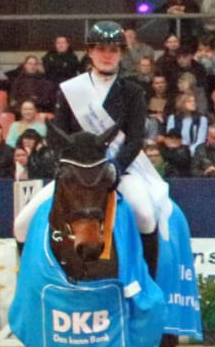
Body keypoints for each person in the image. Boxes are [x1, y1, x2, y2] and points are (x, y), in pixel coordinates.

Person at [15, 21, 166, 273]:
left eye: (114, 50)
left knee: (146, 216)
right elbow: (58, 134)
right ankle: (30, 283)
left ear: (121, 53)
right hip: (77, 174)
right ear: (90, 52)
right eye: (101, 49)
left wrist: (116, 169)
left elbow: (135, 139)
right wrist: (68, 167)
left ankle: (150, 281)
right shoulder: (70, 90)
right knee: (21, 224)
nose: (107, 55)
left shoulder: (133, 91)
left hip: (120, 171)